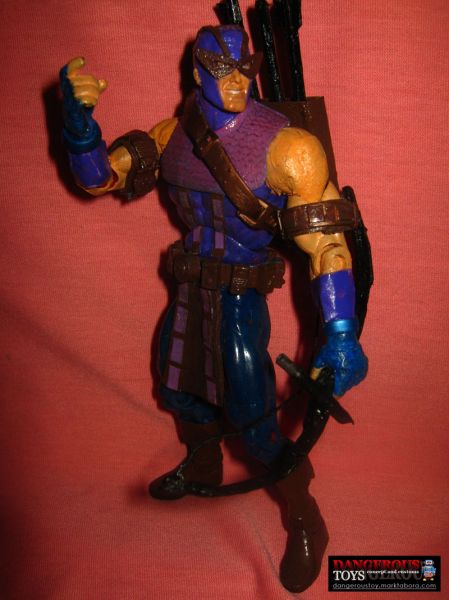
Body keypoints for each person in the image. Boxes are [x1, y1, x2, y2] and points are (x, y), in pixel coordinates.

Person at [60, 25, 367, 593]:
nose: (235, 81)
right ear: (197, 69)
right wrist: (80, 126)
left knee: (255, 424)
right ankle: (202, 465)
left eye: (243, 69)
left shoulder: (289, 148)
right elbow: (101, 177)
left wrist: (342, 332)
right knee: (178, 389)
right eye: (221, 69)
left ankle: (305, 519)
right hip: (189, 290)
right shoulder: (174, 133)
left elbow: (327, 243)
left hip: (240, 300)